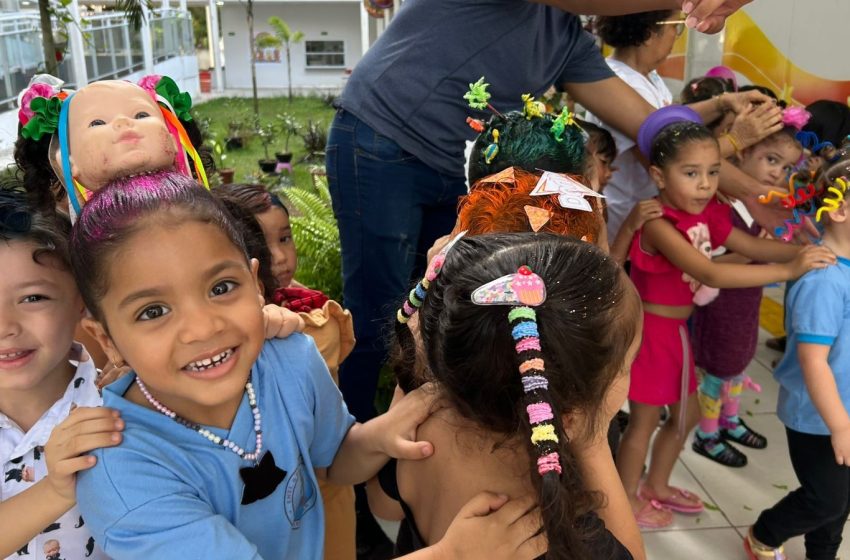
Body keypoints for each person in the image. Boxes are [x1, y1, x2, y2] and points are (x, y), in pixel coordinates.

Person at [70, 172, 546, 560]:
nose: (201, 329)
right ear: (106, 339)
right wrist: (454, 555)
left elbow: (333, 461)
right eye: (152, 312)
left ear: (256, 284)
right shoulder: (122, 470)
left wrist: (378, 435)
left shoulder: (289, 360)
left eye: (220, 288)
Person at [617, 106, 835, 529]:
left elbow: (751, 247)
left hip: (677, 331)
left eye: (713, 173)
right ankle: (626, 499)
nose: (704, 185)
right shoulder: (659, 222)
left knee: (687, 416)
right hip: (652, 332)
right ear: (660, 177)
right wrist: (790, 270)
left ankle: (656, 485)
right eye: (691, 173)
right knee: (644, 421)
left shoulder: (708, 213)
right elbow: (710, 272)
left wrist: (803, 252)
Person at [372, 232, 643, 560]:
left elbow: (383, 504)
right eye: (627, 366)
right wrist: (593, 443)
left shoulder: (416, 431)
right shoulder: (560, 531)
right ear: (568, 414)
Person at [212, 182, 358, 560]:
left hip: (320, 484)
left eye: (286, 238)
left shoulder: (309, 324)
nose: (279, 256)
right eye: (264, 243)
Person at [0, 190, 123, 559]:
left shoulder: (118, 406)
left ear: (81, 300)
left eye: (33, 298)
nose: (6, 326)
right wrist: (55, 489)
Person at [744, 164, 850, 560]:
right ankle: (765, 533)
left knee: (840, 500)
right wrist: (839, 425)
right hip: (819, 417)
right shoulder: (824, 280)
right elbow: (814, 362)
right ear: (838, 210)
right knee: (825, 500)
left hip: (844, 409)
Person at [691, 111, 807, 468]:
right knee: (716, 368)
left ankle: (729, 418)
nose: (777, 173)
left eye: (786, 168)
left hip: (746, 303)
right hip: (719, 306)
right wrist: (753, 251)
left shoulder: (763, 208)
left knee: (739, 362)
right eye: (770, 160)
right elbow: (707, 268)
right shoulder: (724, 207)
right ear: (741, 154)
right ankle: (706, 433)